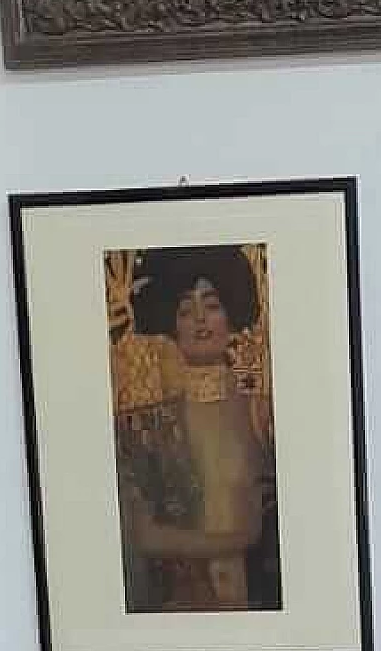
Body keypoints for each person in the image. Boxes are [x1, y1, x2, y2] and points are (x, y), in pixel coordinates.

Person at [109, 244, 281, 614]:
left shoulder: (263, 414)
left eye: (213, 305)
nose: (201, 319)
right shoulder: (148, 426)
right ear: (172, 324)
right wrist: (242, 538)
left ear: (231, 315)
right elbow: (143, 536)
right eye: (187, 309)